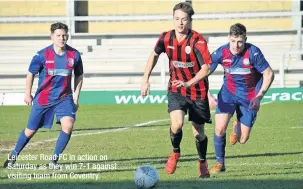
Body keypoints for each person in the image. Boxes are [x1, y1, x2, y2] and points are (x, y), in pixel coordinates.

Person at [141, 2, 212, 178]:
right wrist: (145, 79)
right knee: (177, 124)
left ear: (189, 21)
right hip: (176, 88)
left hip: (197, 91)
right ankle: (175, 152)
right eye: (177, 19)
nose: (180, 23)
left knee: (199, 133)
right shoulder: (166, 38)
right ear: (173, 19)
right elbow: (154, 55)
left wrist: (189, 83)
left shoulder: (197, 40)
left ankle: (202, 161)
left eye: (184, 19)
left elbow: (206, 68)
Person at [3, 22, 84, 168]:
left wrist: (76, 98)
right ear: (52, 36)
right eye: (58, 35)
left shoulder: (74, 55)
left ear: (68, 36)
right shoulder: (41, 55)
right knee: (30, 130)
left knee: (68, 125)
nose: (62, 38)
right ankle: (12, 158)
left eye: (64, 35)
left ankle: (53, 161)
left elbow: (79, 76)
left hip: (64, 98)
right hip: (44, 98)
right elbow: (30, 74)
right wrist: (27, 94)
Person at [207, 23, 274, 174]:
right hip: (228, 94)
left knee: (242, 139)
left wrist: (259, 97)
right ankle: (220, 163)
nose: (236, 45)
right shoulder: (221, 52)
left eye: (240, 42)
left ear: (245, 39)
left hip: (249, 97)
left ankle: (237, 124)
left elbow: (269, 74)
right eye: (233, 41)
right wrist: (208, 95)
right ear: (228, 38)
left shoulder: (253, 52)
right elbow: (203, 73)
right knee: (219, 128)